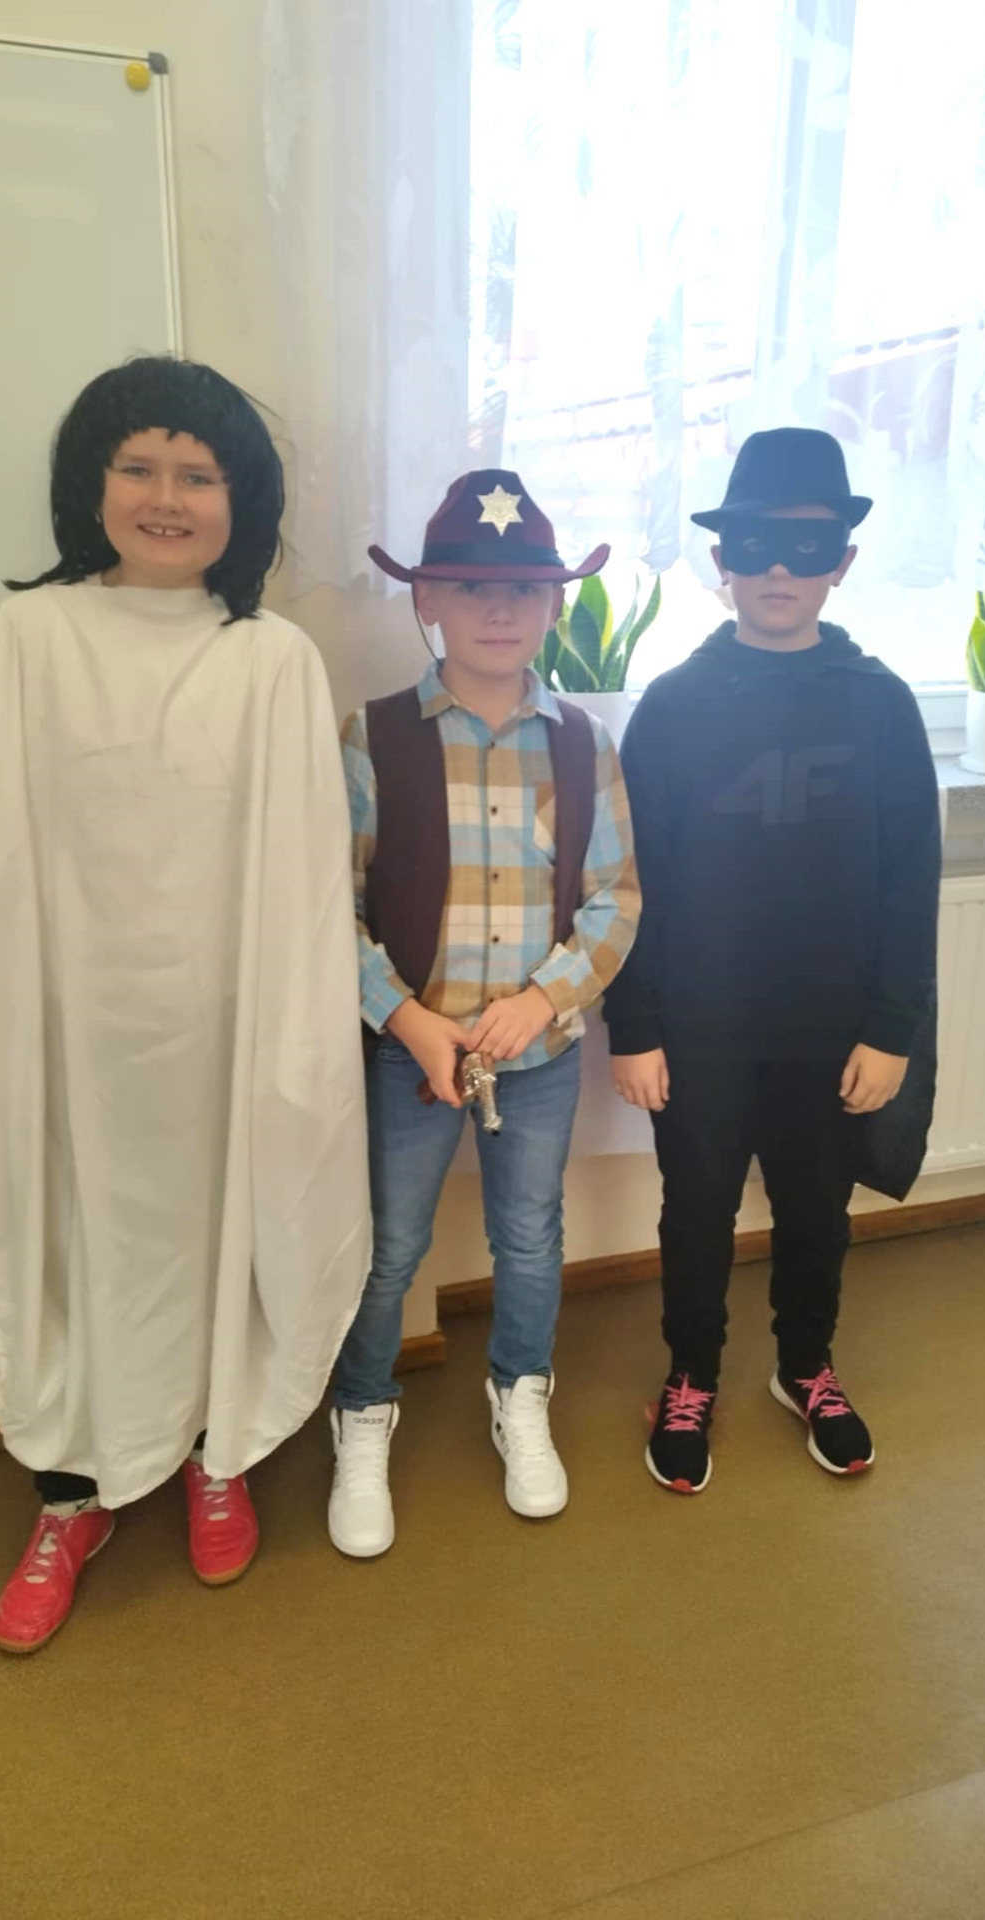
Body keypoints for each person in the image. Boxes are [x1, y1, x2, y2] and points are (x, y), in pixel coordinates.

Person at [0, 357, 370, 1652]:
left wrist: (295, 1050)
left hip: (221, 1039)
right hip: (68, 1038)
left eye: (198, 474)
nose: (166, 496)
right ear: (90, 487)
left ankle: (214, 1456)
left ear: (240, 502)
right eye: (138, 466)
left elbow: (306, 881)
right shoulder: (30, 639)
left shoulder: (272, 661)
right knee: (70, 1253)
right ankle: (70, 1496)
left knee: (220, 1236)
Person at [604, 428, 941, 1493]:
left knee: (816, 1212)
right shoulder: (673, 706)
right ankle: (691, 1373)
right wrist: (634, 1026)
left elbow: (910, 878)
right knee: (697, 1210)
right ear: (722, 561)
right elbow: (630, 880)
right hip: (700, 1026)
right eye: (756, 546)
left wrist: (892, 1029)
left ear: (845, 560)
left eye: (809, 546)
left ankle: (805, 1365)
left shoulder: (882, 705)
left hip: (831, 1028)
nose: (781, 570)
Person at [326, 470, 641, 1557]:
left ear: (554, 604)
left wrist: (543, 999)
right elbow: (327, 907)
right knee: (389, 1245)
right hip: (411, 1049)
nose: (498, 609)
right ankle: (363, 1411)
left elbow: (614, 897)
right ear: (427, 601)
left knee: (531, 1235)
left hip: (534, 1053)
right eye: (469, 586)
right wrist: (408, 1020)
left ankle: (521, 1391)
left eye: (523, 589)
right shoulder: (373, 738)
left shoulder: (584, 743)